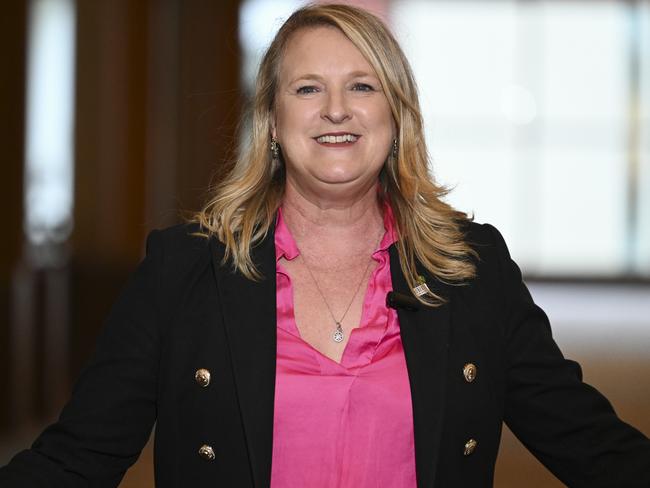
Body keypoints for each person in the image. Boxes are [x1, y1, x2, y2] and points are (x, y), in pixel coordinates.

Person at [2, 3, 649, 487]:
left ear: (395, 118)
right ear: (273, 122)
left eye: (362, 86)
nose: (336, 109)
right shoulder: (185, 268)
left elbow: (587, 442)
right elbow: (76, 458)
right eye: (308, 88)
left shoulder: (472, 269)